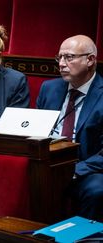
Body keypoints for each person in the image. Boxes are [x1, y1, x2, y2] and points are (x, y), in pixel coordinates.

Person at [36, 35, 103, 221]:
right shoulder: (49, 88)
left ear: (90, 60)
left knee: (97, 190)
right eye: (59, 58)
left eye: (69, 57)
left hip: (85, 169)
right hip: (47, 163)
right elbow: (36, 129)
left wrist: (72, 171)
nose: (62, 64)